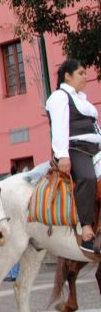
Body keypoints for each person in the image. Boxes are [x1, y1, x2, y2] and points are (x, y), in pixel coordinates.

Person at [45, 59, 100, 252]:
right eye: (81, 73)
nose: (86, 76)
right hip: (75, 148)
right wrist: (63, 155)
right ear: (67, 76)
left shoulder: (82, 99)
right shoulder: (59, 97)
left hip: (95, 147)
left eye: (85, 73)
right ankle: (86, 228)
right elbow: (59, 127)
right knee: (86, 177)